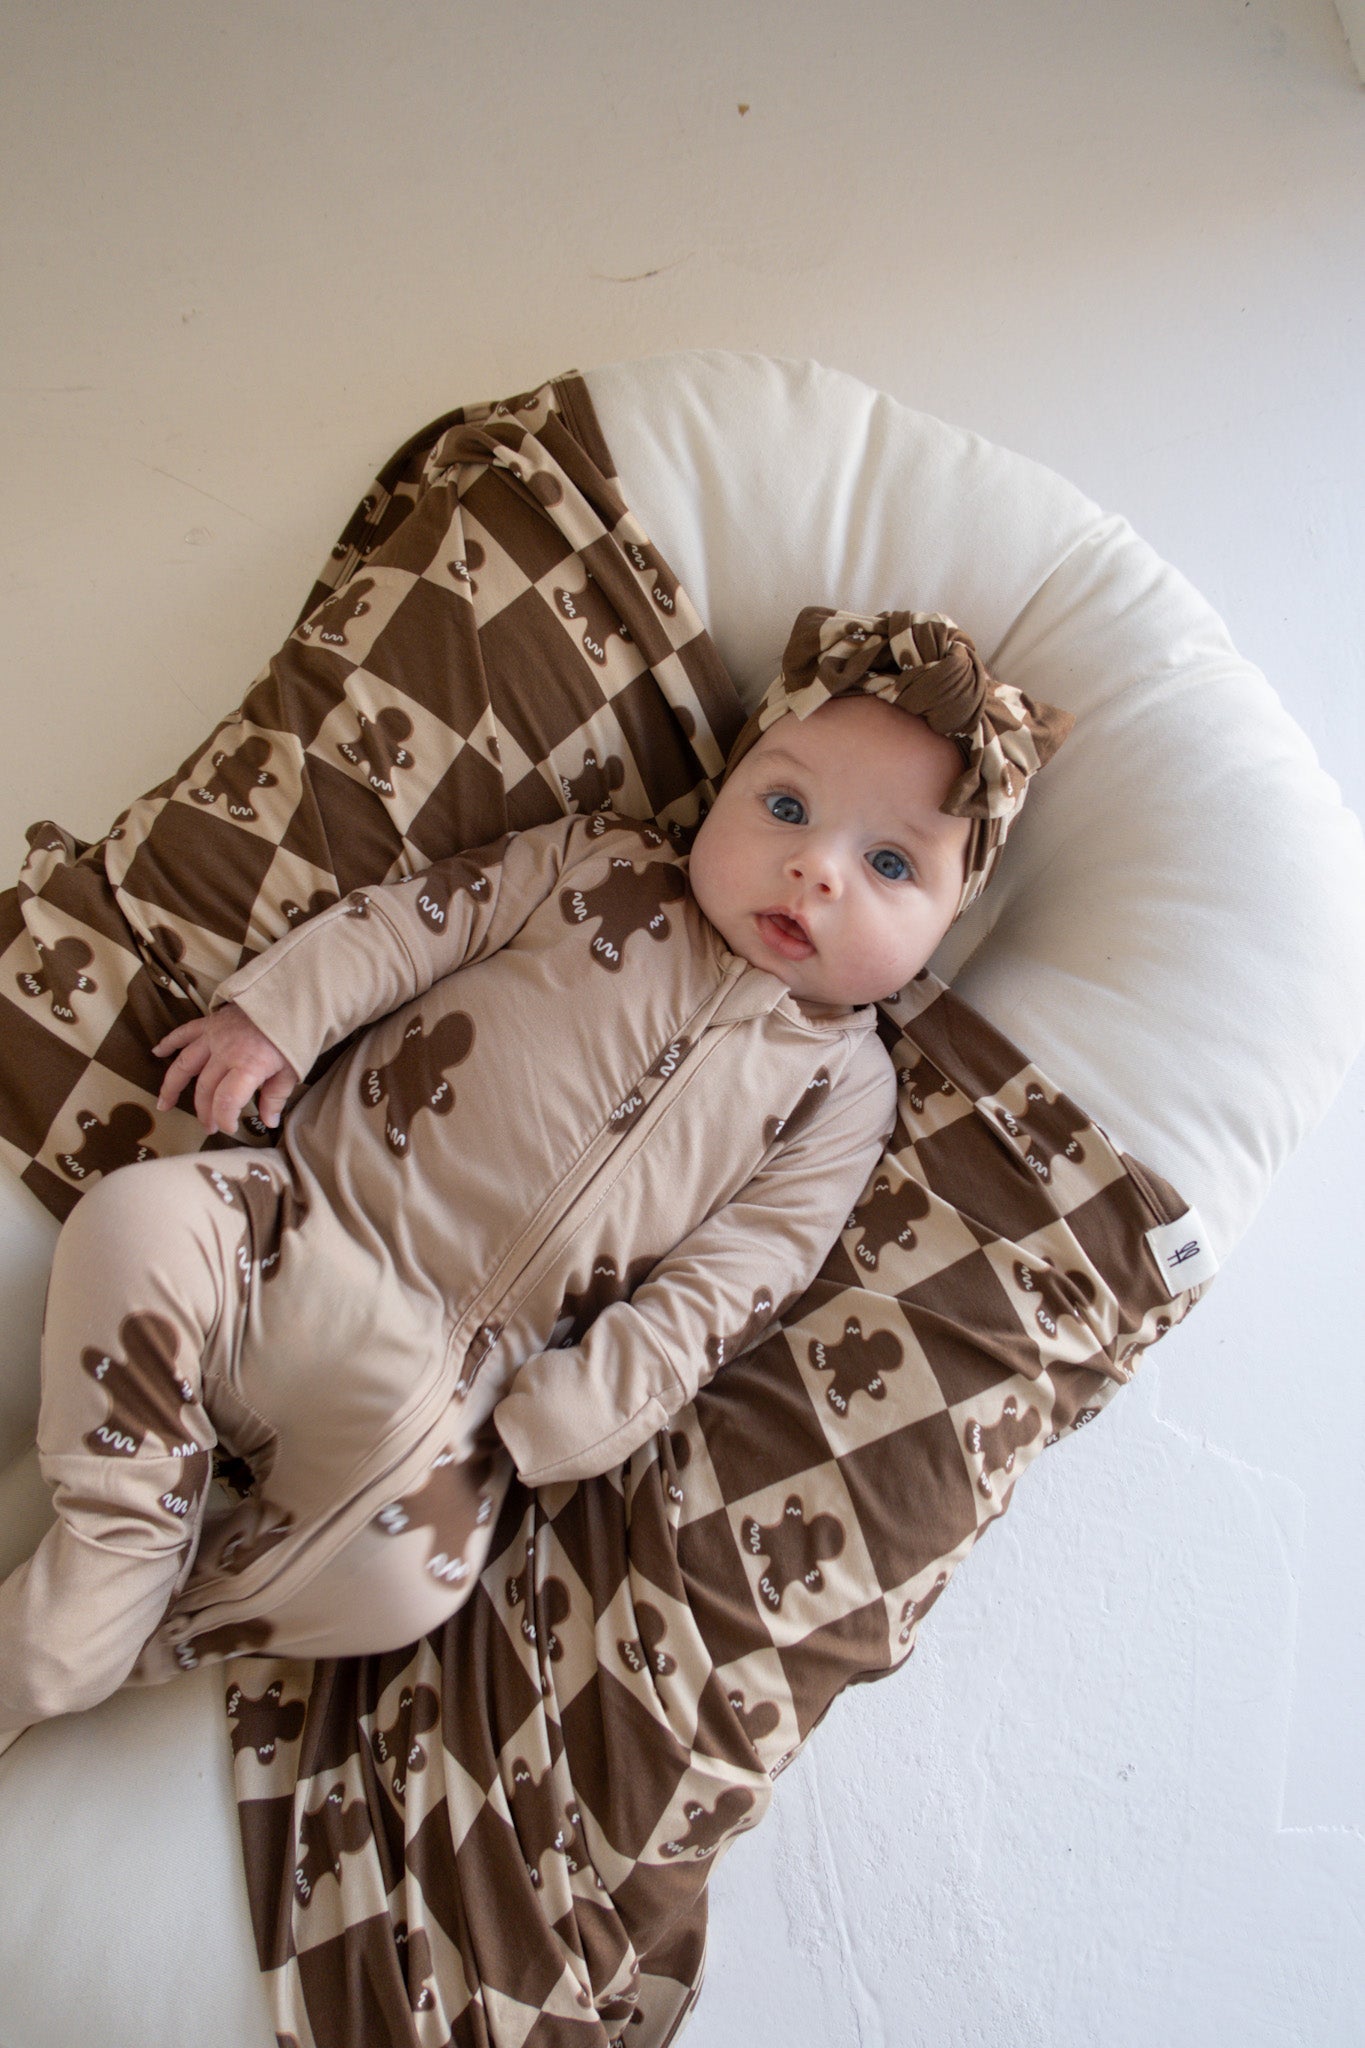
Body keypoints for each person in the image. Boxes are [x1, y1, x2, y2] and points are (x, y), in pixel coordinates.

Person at [0, 608, 1070, 1751]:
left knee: (409, 1581)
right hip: (291, 1223)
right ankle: (124, 1533)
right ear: (727, 787)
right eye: (788, 807)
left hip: (441, 1386)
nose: (816, 867)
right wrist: (278, 1016)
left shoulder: (842, 1089)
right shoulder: (594, 863)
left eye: (890, 863)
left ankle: (153, 1626)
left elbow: (749, 1268)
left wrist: (608, 1395)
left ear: (947, 924)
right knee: (132, 1221)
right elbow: (412, 925)